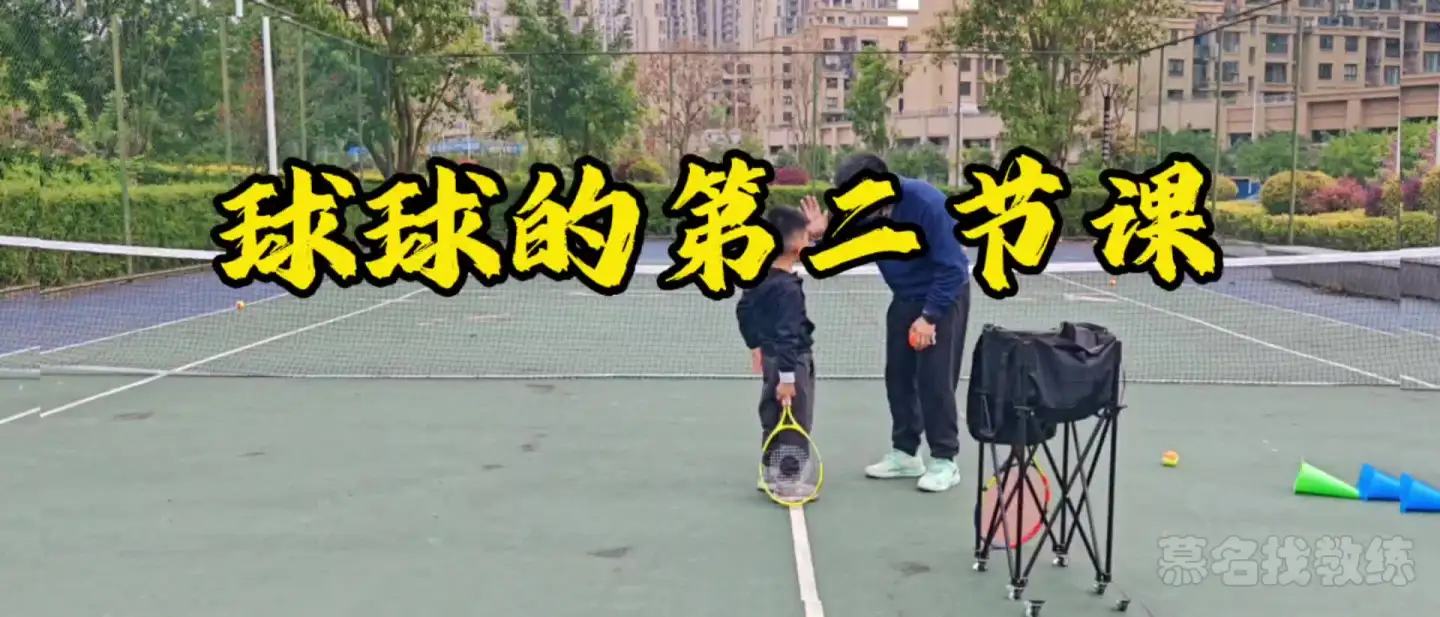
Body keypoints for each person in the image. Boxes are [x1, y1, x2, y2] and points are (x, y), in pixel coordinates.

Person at [800, 153, 971, 493]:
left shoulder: (926, 203)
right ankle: (906, 454)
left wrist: (929, 317)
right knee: (899, 377)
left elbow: (953, 267)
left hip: (942, 296)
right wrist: (821, 234)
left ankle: (944, 460)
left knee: (935, 380)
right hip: (904, 297)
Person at [736, 207, 818, 495]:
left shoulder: (758, 277)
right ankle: (788, 481)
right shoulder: (788, 290)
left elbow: (744, 309)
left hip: (771, 358)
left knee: (772, 416)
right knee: (795, 421)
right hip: (790, 363)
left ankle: (770, 472)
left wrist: (754, 344)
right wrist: (788, 378)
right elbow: (788, 336)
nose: (810, 241)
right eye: (807, 237)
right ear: (797, 246)